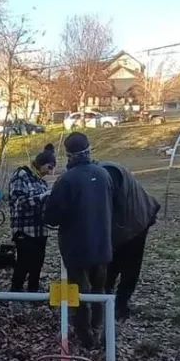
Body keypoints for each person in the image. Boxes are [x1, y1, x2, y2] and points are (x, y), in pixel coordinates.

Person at [44, 132, 113, 349]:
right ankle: (98, 324)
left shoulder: (66, 180)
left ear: (68, 154)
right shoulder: (103, 175)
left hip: (76, 247)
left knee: (80, 292)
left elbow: (52, 217)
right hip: (102, 243)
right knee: (99, 289)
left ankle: (85, 336)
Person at [98, 161, 161, 320]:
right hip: (127, 220)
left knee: (130, 267)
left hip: (137, 222)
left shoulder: (109, 178)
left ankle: (121, 304)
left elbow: (110, 218)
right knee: (112, 262)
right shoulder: (102, 173)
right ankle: (106, 297)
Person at [8, 144, 56, 293]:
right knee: (23, 263)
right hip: (24, 229)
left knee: (38, 262)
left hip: (40, 230)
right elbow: (19, 203)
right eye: (49, 167)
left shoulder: (41, 181)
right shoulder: (21, 175)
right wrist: (43, 197)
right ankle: (15, 292)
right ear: (40, 163)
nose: (50, 172)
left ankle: (33, 291)